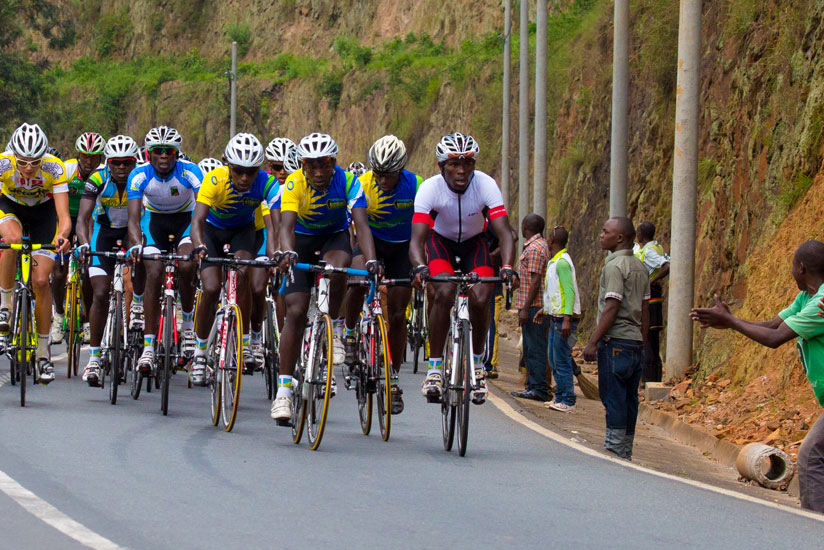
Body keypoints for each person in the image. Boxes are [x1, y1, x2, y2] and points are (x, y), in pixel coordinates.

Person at [691, 240, 824, 513]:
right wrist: (730, 322)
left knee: (810, 455)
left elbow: (775, 338)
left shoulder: (822, 301)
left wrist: (731, 322)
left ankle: (815, 525)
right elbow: (773, 325)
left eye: (791, 267)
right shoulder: (807, 298)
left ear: (801, 268)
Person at [270, 133, 380, 424]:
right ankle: (283, 391)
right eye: (311, 165)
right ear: (303, 165)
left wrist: (370, 259)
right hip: (301, 241)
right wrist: (288, 252)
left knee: (339, 265)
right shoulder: (294, 183)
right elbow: (286, 226)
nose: (318, 172)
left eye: (324, 165)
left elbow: (362, 225)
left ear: (334, 163)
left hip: (334, 239)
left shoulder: (348, 182)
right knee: (294, 312)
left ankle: (332, 326)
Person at [410, 132, 518, 405]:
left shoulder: (485, 185)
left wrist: (507, 266)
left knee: (482, 297)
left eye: (467, 163)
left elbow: (504, 233)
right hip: (440, 243)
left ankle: (479, 363)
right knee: (444, 291)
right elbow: (417, 240)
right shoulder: (430, 189)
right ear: (441, 166)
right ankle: (434, 369)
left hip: (475, 244)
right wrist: (420, 267)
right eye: (454, 164)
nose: (461, 170)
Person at [342, 135, 422, 415]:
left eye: (389, 175)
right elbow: (354, 225)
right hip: (370, 242)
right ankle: (350, 333)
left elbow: (425, 224)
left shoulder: (416, 185)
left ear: (401, 170)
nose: (383, 180)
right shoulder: (363, 184)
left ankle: (393, 378)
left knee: (399, 313)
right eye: (378, 174)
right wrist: (369, 258)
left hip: (402, 249)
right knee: (357, 281)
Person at [190, 133, 279, 385]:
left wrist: (275, 253)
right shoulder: (214, 179)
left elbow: (274, 226)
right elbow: (197, 221)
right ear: (227, 165)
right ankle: (199, 352)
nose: (244, 178)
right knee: (210, 287)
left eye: (250, 172)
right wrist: (199, 246)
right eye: (238, 171)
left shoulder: (266, 182)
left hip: (243, 232)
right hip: (211, 231)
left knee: (243, 275)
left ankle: (246, 342)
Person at [126, 126, 203, 373]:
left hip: (186, 222)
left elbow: (203, 208)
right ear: (149, 153)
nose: (163, 156)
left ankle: (188, 325)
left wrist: (200, 243)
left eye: (168, 151)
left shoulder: (190, 172)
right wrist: (137, 243)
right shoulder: (138, 175)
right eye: (157, 151)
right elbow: (134, 219)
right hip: (154, 223)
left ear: (177, 153)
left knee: (188, 265)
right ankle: (148, 347)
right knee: (154, 271)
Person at [0, 123, 72, 383]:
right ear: (13, 156)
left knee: (41, 281)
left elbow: (63, 216)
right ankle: (5, 305)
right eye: (22, 162)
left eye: (34, 162)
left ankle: (43, 355)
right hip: (9, 206)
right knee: (12, 240)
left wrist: (62, 235)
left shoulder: (54, 167)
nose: (28, 168)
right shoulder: (3, 164)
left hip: (44, 213)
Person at [582, 217, 649, 460]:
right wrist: (642, 341)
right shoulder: (640, 267)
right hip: (634, 343)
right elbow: (645, 308)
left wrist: (592, 342)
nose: (601, 235)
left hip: (616, 342)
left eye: (605, 231)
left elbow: (611, 306)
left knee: (614, 396)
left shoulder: (614, 266)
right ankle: (626, 447)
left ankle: (615, 448)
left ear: (619, 238)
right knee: (630, 397)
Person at [75, 135, 139, 385]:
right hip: (103, 233)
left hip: (132, 231)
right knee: (100, 292)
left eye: (127, 162)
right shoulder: (97, 179)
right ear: (108, 163)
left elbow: (146, 218)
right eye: (116, 163)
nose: (122, 168)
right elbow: (83, 218)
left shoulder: (140, 179)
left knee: (134, 283)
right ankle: (93, 358)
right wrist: (83, 242)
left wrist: (139, 246)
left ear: (134, 162)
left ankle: (137, 314)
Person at [51, 131, 105, 344]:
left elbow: (98, 210)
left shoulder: (102, 173)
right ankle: (58, 314)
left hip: (90, 218)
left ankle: (88, 322)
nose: (89, 161)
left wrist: (87, 243)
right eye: (84, 156)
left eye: (94, 157)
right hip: (64, 217)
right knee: (58, 270)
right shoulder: (66, 170)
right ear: (77, 155)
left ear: (100, 158)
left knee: (91, 265)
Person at [541, 225, 582, 412]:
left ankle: (567, 399)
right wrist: (545, 309)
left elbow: (569, 291)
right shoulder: (555, 261)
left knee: (561, 359)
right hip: (555, 317)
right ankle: (559, 397)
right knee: (553, 357)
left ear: (551, 241)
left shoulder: (562, 262)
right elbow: (555, 292)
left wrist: (567, 317)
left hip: (563, 320)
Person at [510, 214, 550, 402]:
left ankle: (538, 388)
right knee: (532, 346)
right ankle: (535, 385)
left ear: (525, 227)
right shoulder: (540, 246)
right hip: (533, 304)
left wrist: (525, 308)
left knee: (534, 347)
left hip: (534, 306)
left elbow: (535, 282)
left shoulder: (534, 248)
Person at [634, 221, 670, 384]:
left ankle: (648, 379)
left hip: (650, 297)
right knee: (652, 338)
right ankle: (654, 376)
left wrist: (651, 281)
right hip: (654, 296)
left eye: (638, 233)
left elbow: (666, 265)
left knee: (647, 335)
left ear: (641, 235)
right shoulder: (657, 248)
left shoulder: (648, 251)